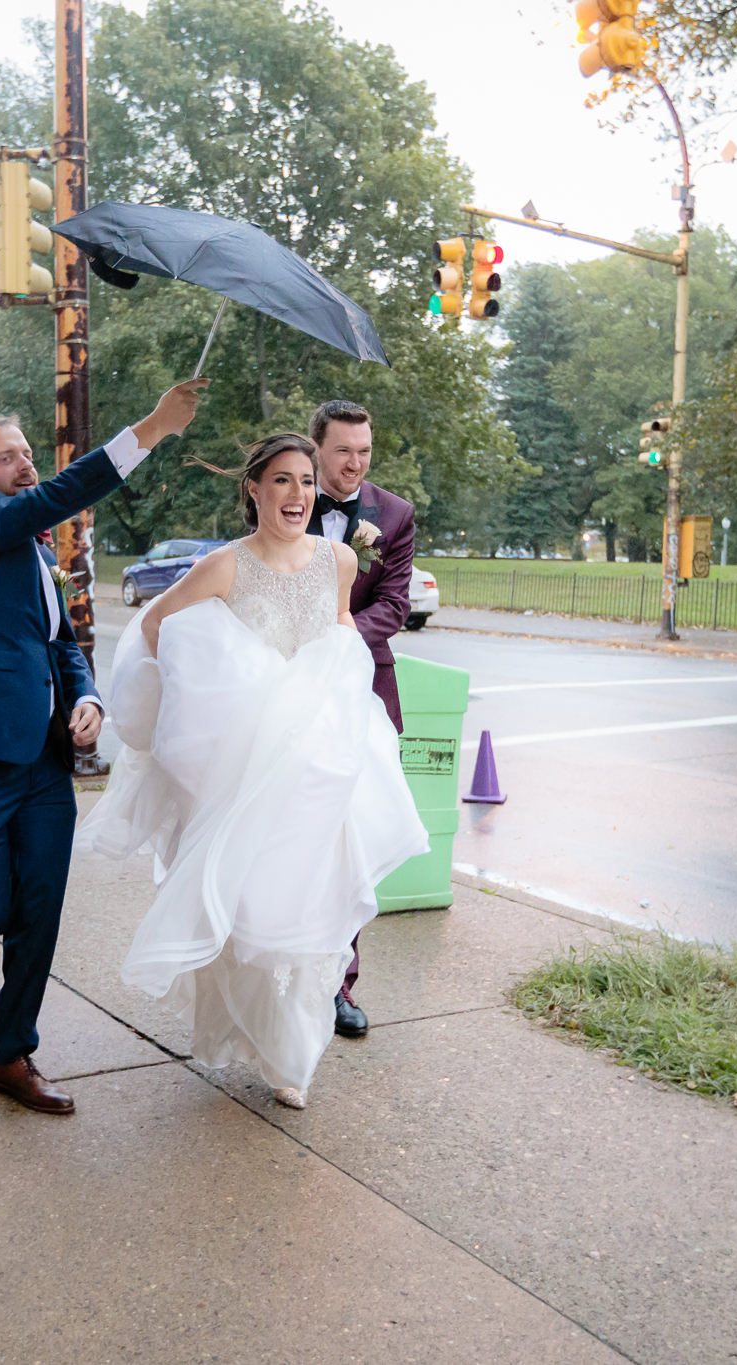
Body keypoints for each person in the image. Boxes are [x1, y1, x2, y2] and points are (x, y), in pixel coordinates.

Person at [76, 433, 428, 1109]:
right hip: (246, 768)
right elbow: (157, 629)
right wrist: (224, 695)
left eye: (304, 481)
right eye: (282, 481)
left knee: (313, 907)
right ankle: (257, 1029)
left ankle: (292, 1054)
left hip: (319, 765)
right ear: (254, 489)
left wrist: (330, 695)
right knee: (251, 912)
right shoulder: (223, 567)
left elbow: (336, 634)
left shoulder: (340, 559)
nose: (296, 494)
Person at [0, 380, 208, 1114]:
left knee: (38, 910)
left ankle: (11, 1055)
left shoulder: (36, 556)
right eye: (8, 457)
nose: (26, 465)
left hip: (42, 762)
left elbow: (60, 642)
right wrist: (152, 428)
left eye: (29, 453)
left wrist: (88, 696)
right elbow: (52, 499)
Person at [304, 399, 416, 1040]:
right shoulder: (282, 494)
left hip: (360, 696)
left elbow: (395, 604)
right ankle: (284, 966)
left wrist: (336, 640)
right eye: (343, 450)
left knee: (350, 847)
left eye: (364, 451)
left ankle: (340, 987)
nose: (354, 463)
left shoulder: (393, 515)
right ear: (318, 449)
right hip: (286, 697)